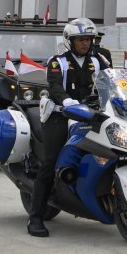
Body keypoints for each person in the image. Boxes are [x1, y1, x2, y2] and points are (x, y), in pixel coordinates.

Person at [29, 18, 110, 237]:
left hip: (90, 115)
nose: (85, 43)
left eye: (88, 39)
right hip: (60, 115)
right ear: (70, 41)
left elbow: (112, 83)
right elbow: (55, 86)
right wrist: (66, 101)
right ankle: (35, 217)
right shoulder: (58, 62)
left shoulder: (99, 61)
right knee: (51, 162)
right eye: (81, 39)